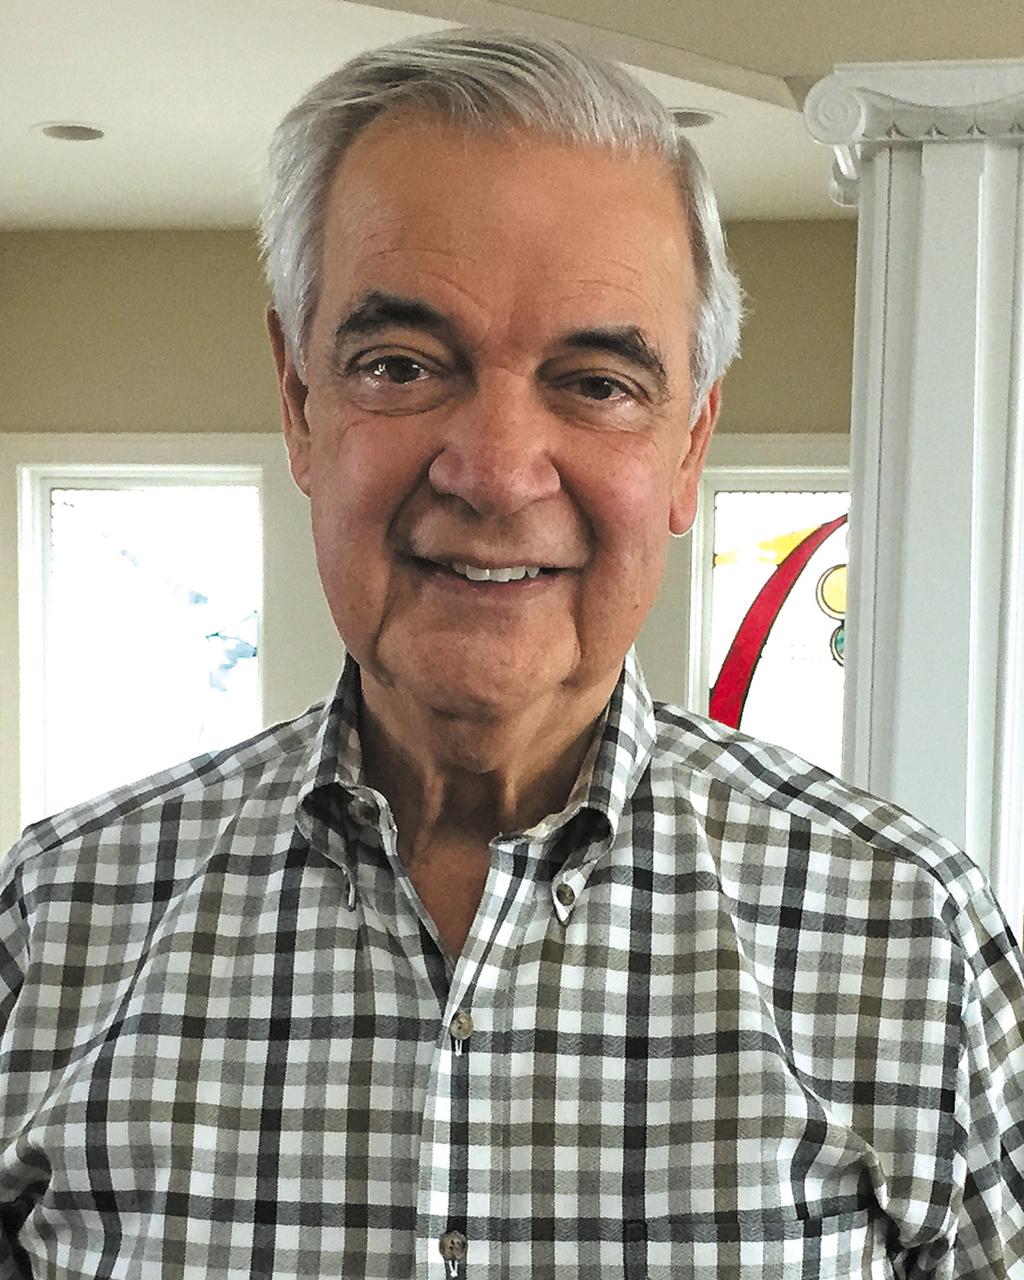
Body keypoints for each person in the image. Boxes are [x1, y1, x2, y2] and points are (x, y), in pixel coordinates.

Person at [1, 29, 1022, 1280]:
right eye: (400, 365)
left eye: (595, 382)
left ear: (690, 445)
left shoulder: (913, 937)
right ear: (299, 401)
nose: (493, 471)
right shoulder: (53, 922)